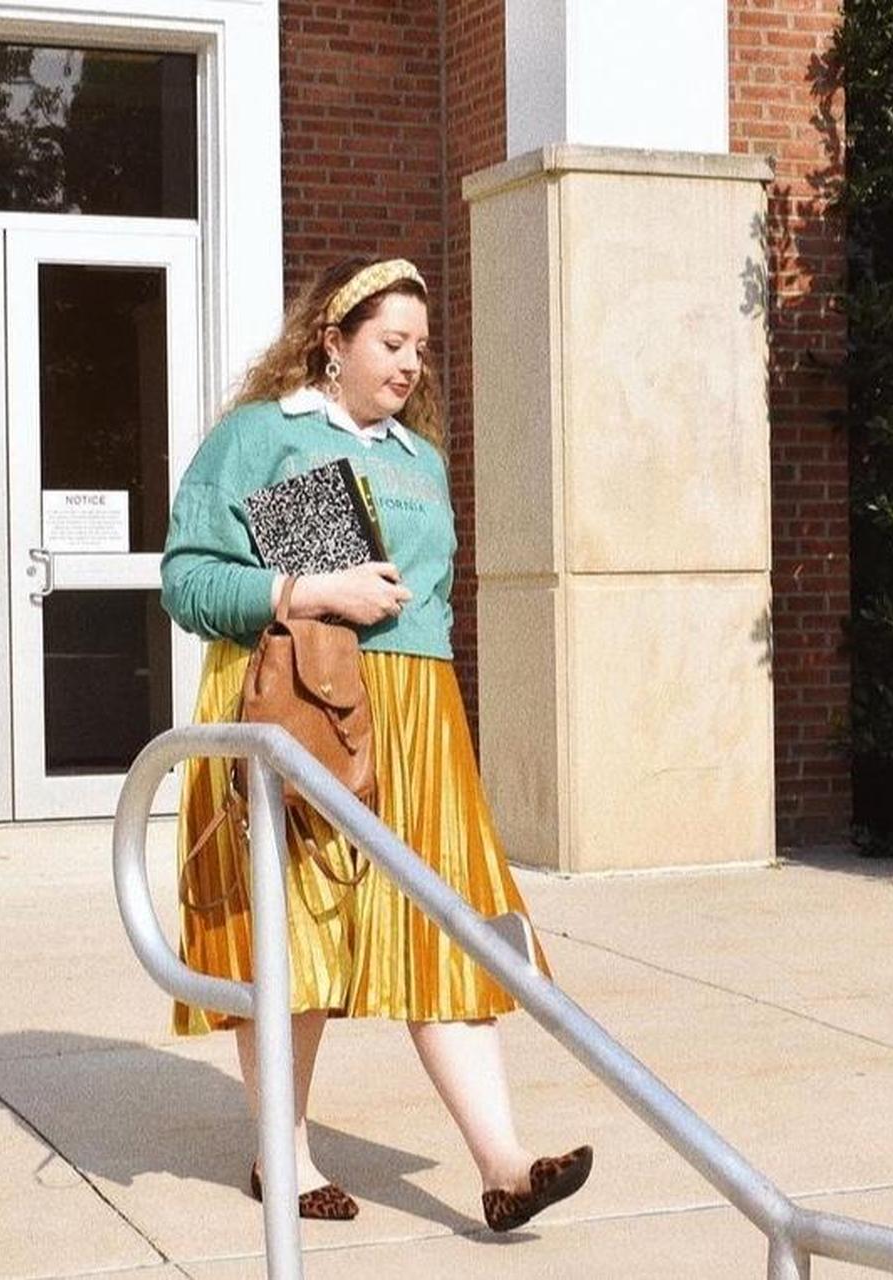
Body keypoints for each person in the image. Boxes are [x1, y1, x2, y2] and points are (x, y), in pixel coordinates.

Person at [160, 255, 592, 1231]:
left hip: (418, 718)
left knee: (448, 931)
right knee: (298, 931)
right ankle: (284, 1151)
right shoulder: (264, 436)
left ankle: (502, 1162)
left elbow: (425, 607)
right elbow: (186, 578)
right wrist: (311, 590)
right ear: (332, 339)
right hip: (301, 701)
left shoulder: (418, 455)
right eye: (390, 344)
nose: (408, 364)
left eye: (419, 350)